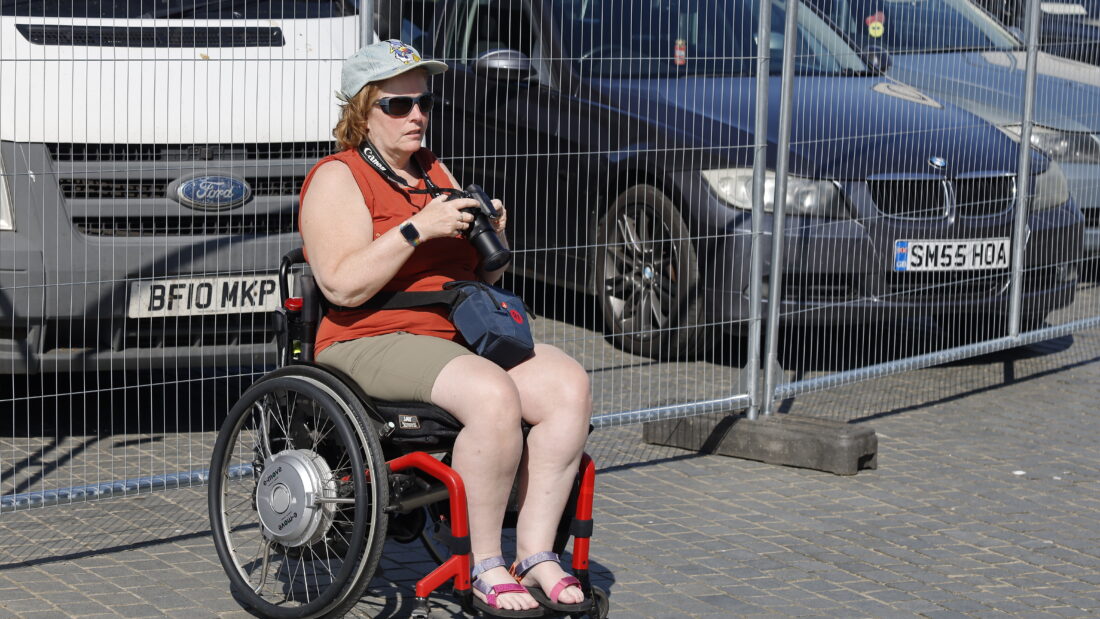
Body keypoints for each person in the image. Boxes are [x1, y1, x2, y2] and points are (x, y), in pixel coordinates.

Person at [298, 40, 593, 616]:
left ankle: (534, 554)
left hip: (450, 332)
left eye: (424, 103)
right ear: (362, 111)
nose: (416, 115)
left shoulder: (432, 170)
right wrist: (416, 229)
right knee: (491, 394)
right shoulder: (338, 176)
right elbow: (341, 286)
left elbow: (477, 273)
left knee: (567, 386)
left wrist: (492, 237)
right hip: (368, 336)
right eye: (398, 105)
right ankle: (483, 563)